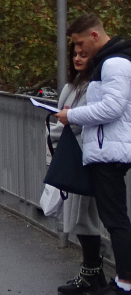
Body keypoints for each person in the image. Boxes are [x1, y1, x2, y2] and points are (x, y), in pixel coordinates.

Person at [57, 14, 131, 294]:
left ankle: (124, 283)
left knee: (116, 221)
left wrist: (71, 116)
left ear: (95, 36)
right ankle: (119, 280)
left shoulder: (113, 63)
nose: (78, 50)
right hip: (106, 149)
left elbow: (112, 108)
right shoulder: (110, 61)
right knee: (114, 219)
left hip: (109, 152)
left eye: (80, 43)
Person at [54, 42, 107, 293]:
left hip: (85, 156)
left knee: (85, 217)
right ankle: (92, 272)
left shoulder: (93, 87)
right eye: (75, 54)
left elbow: (77, 120)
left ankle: (92, 274)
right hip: (71, 154)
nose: (77, 58)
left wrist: (57, 128)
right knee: (78, 218)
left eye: (83, 55)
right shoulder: (72, 85)